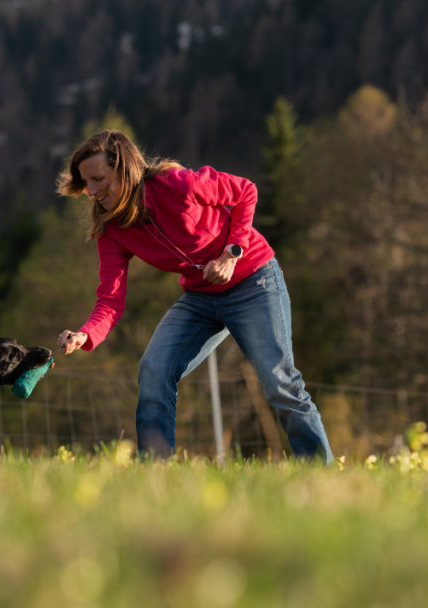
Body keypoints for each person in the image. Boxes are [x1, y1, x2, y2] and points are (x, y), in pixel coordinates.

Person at [56, 130, 333, 462]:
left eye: (99, 178)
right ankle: (154, 471)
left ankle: (321, 470)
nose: (93, 190)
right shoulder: (112, 229)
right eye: (86, 182)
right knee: (154, 368)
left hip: (253, 281)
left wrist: (231, 254)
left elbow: (246, 191)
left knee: (279, 381)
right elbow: (110, 301)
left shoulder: (178, 185)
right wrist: (85, 334)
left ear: (124, 169)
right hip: (201, 297)